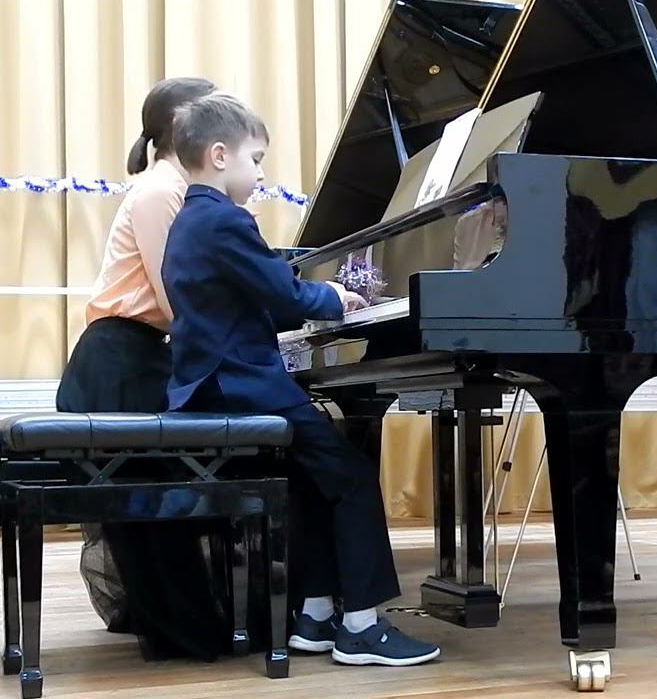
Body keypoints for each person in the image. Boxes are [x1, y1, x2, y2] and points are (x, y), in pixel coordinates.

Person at [161, 93, 442, 667]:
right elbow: (286, 294)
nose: (262, 173)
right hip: (242, 387)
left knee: (315, 480)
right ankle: (361, 626)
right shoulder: (225, 220)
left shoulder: (188, 223)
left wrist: (306, 308)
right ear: (220, 155)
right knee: (353, 477)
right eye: (256, 159)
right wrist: (335, 297)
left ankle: (314, 616)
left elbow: (251, 304)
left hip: (214, 384)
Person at [56, 76, 234, 661]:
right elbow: (174, 296)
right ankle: (186, 627)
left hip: (134, 354)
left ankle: (201, 615)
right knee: (157, 492)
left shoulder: (173, 187)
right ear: (182, 125)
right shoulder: (162, 190)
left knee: (161, 491)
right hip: (120, 360)